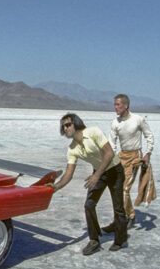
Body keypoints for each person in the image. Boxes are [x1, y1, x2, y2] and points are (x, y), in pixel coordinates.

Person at [51, 113, 128, 255]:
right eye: (63, 126)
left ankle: (120, 239)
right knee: (89, 205)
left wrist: (96, 175)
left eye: (68, 124)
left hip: (115, 171)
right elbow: (68, 175)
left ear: (76, 123)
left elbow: (109, 154)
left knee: (118, 207)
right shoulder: (72, 148)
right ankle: (94, 240)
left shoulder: (93, 132)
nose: (66, 128)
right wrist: (54, 188)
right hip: (98, 173)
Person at [104, 94, 154, 229]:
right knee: (116, 188)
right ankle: (120, 219)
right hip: (122, 156)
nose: (115, 107)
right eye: (114, 105)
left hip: (135, 157)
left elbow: (149, 135)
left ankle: (130, 216)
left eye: (118, 105)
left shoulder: (138, 119)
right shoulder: (115, 122)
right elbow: (112, 143)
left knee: (124, 188)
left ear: (126, 105)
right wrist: (109, 159)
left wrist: (148, 153)